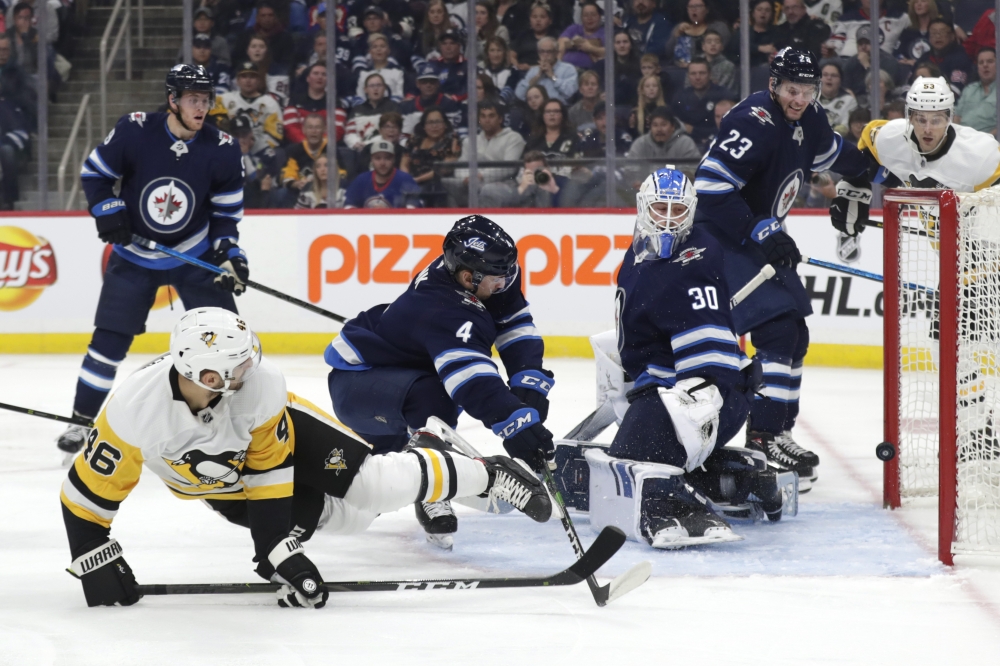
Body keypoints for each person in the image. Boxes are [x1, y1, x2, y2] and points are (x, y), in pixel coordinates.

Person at [60, 308, 551, 607]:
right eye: (234, 369)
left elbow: (268, 470)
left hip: (288, 438)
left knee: (371, 485)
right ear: (204, 375)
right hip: (224, 486)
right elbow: (85, 497)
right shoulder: (131, 412)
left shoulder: (260, 387)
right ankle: (427, 462)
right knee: (353, 520)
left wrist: (277, 553)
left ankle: (484, 477)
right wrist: (91, 557)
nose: (247, 372)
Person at [558, 167, 781, 549]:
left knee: (631, 464)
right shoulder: (638, 256)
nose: (667, 218)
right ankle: (739, 480)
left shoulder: (697, 256)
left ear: (691, 212)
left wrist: (701, 398)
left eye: (677, 210)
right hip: (666, 393)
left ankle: (681, 507)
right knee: (627, 459)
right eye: (659, 207)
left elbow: (710, 359)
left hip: (701, 398)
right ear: (643, 207)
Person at [692, 48, 871, 488]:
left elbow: (837, 154)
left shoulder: (808, 117)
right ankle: (764, 435)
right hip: (721, 239)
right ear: (774, 85)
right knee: (775, 329)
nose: (800, 98)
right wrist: (762, 230)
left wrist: (873, 171)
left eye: (808, 90)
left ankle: (777, 432)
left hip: (755, 238)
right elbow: (711, 187)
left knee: (794, 334)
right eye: (793, 89)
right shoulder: (753, 120)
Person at [326, 216, 557, 548]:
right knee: (438, 396)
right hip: (359, 388)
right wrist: (515, 422)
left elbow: (513, 320)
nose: (505, 284)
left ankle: (416, 473)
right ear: (467, 277)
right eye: (497, 280)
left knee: (373, 487)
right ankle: (430, 483)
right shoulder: (446, 309)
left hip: (401, 375)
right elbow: (473, 382)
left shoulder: (479, 272)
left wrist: (527, 380)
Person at [56, 65, 245, 456]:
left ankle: (233, 423)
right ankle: (80, 420)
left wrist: (230, 254)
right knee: (107, 343)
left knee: (226, 343)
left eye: (206, 99)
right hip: (134, 257)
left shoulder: (223, 148)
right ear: (172, 100)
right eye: (193, 99)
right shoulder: (135, 130)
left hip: (193, 255)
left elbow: (226, 215)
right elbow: (95, 174)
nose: (202, 107)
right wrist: (109, 211)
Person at [847, 76, 1000, 193]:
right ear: (910, 118)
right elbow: (867, 140)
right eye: (921, 120)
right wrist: (854, 186)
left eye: (936, 120)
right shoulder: (890, 136)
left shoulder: (982, 154)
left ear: (949, 119)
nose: (928, 129)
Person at [447, 101, 527, 205]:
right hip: (472, 183)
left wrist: (480, 176)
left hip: (505, 185)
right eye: (483, 116)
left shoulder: (513, 138)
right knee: (449, 185)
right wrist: (467, 178)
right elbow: (461, 167)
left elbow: (509, 168)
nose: (487, 120)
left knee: (488, 190)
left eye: (491, 116)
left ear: (500, 119)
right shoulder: (470, 140)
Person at [209, 61, 284, 155]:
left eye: (252, 77)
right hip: (228, 149)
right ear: (237, 80)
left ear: (258, 80)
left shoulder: (270, 103)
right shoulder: (224, 99)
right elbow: (212, 121)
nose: (248, 80)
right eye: (244, 76)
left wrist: (252, 144)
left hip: (259, 153)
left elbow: (275, 136)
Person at [624, 107, 700, 188]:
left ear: (673, 127)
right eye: (655, 125)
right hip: (645, 195)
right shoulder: (640, 143)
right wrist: (638, 182)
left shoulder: (686, 143)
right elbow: (630, 171)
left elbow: (693, 172)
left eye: (663, 125)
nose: (659, 129)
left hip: (678, 195)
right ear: (650, 128)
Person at [402, 106, 462, 207]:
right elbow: (404, 163)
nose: (434, 126)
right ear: (424, 126)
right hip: (410, 182)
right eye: (430, 123)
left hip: (436, 185)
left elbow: (443, 169)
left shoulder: (452, 141)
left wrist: (417, 180)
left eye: (438, 122)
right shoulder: (414, 140)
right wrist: (408, 179)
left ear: (445, 124)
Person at [672, 56, 735, 147]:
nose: (697, 77)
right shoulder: (679, 98)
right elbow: (677, 129)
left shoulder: (725, 96)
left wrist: (694, 130)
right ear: (688, 75)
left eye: (702, 73)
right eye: (693, 74)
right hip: (687, 146)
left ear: (710, 74)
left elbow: (729, 127)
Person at [344, 139, 421, 208]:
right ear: (371, 159)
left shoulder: (406, 179)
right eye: (377, 158)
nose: (382, 163)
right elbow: (349, 207)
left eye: (387, 158)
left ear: (394, 159)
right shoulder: (361, 180)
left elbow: (414, 210)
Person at [282, 63, 345, 145]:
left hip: (326, 149)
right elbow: (290, 128)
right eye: (316, 73)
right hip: (299, 148)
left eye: (324, 74)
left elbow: (337, 130)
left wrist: (320, 145)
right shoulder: (294, 100)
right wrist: (307, 146)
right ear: (308, 78)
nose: (320, 77)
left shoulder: (335, 102)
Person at [481, 150, 568, 207]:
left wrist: (554, 190)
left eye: (539, 170)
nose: (536, 175)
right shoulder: (522, 188)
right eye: (531, 172)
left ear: (548, 168)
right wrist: (521, 189)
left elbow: (572, 203)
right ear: (524, 173)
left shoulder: (561, 182)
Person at [279, 113, 329, 206]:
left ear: (324, 130)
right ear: (304, 130)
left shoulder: (331, 149)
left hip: (326, 192)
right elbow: (287, 175)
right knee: (282, 194)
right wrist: (297, 184)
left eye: (317, 127)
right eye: (310, 127)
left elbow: (341, 175)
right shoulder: (294, 150)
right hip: (300, 192)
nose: (314, 131)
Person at [399, 65, 462, 138]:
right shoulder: (407, 106)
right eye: (424, 82)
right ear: (417, 84)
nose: (428, 85)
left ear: (438, 83)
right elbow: (405, 135)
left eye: (432, 82)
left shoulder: (449, 104)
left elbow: (452, 133)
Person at [343, 73, 400, 151]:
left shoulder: (394, 108)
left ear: (384, 88)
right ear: (365, 89)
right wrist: (356, 143)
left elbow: (393, 134)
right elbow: (349, 134)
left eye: (379, 85)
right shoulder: (356, 110)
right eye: (372, 86)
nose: (375, 89)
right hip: (360, 151)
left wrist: (368, 145)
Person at [665, 0, 730, 68]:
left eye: (698, 6)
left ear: (707, 10)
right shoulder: (680, 27)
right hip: (682, 68)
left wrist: (693, 63)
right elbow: (668, 53)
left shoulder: (719, 27)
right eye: (690, 7)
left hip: (712, 67)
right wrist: (676, 36)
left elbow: (719, 49)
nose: (694, 9)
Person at [914, 19, 972, 95]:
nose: (938, 36)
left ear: (952, 36)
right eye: (934, 33)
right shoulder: (924, 58)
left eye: (942, 32)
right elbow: (908, 85)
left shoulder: (961, 58)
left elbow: (955, 89)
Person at [233, 0, 296, 69]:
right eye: (263, 16)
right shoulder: (246, 35)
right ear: (257, 18)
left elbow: (287, 63)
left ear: (275, 17)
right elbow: (237, 59)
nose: (267, 19)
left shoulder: (285, 37)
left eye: (270, 15)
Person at [514, 36, 578, 103]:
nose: (545, 55)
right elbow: (519, 95)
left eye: (549, 51)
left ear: (556, 53)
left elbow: (570, 93)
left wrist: (552, 76)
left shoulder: (568, 69)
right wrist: (537, 77)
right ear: (538, 53)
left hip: (557, 109)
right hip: (535, 110)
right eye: (542, 51)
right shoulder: (533, 71)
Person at [590, 30, 641, 107]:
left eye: (625, 42)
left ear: (631, 45)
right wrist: (599, 95)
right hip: (603, 106)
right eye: (618, 42)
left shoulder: (639, 66)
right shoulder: (601, 65)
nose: (622, 45)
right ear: (613, 46)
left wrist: (612, 96)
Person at [955, 48, 997, 134]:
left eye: (990, 61)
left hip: (989, 141)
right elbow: (957, 117)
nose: (985, 65)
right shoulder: (969, 89)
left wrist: (983, 141)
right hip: (962, 138)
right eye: (981, 62)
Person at [353, 33, 405, 101]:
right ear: (370, 52)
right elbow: (359, 97)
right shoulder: (363, 74)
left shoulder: (398, 72)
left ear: (388, 50)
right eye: (375, 47)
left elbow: (399, 95)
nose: (378, 49)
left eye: (382, 46)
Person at [725, 0, 776, 68]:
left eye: (767, 10)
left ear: (771, 14)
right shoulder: (744, 32)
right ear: (753, 13)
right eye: (759, 9)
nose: (763, 12)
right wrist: (759, 48)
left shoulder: (776, 32)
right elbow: (735, 46)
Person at [511, 2, 557, 70]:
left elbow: (556, 60)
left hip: (545, 71)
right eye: (534, 17)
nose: (538, 20)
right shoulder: (522, 36)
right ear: (530, 20)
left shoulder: (555, 37)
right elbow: (511, 55)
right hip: (521, 71)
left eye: (542, 17)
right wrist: (518, 65)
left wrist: (531, 68)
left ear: (550, 20)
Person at [558, 1, 604, 69]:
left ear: (599, 16)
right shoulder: (573, 29)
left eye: (593, 15)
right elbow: (561, 44)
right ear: (581, 18)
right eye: (586, 15)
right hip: (567, 69)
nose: (589, 18)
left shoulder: (605, 33)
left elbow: (611, 52)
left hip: (590, 71)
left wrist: (590, 48)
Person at [896, 0, 943, 66]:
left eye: (923, 1)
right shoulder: (908, 31)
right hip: (910, 69)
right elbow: (898, 53)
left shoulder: (939, 30)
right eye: (916, 2)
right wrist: (906, 61)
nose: (919, 4)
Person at [428, 30, 469, 100]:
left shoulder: (468, 66)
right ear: (440, 47)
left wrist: (455, 98)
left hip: (460, 105)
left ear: (459, 46)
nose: (448, 48)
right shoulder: (432, 65)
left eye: (452, 43)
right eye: (444, 44)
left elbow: (472, 90)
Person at [818, 59, 857, 133]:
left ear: (840, 80)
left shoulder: (849, 101)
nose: (829, 78)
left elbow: (845, 127)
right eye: (825, 75)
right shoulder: (809, 98)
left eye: (834, 75)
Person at [629, 74, 668, 140]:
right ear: (642, 90)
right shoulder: (635, 113)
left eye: (654, 86)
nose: (651, 88)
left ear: (659, 89)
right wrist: (632, 127)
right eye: (647, 86)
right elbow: (634, 138)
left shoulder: (666, 111)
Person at [700, 29, 735, 94]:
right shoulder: (696, 63)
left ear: (722, 47)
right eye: (709, 42)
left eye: (717, 42)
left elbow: (725, 88)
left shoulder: (728, 66)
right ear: (703, 46)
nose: (713, 44)